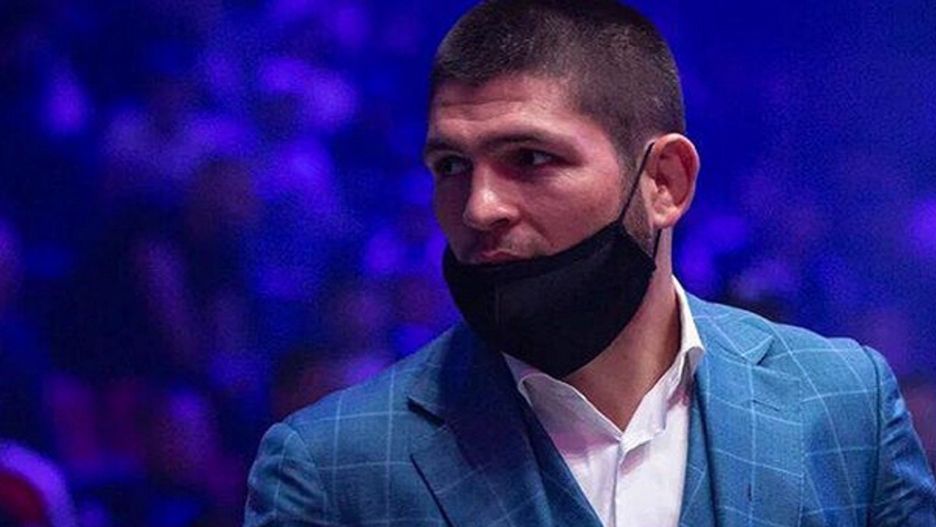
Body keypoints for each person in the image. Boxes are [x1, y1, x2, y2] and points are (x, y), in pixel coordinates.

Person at [244, 1, 936, 525]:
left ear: (665, 181)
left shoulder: (846, 404)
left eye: (530, 158)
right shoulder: (330, 467)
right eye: (451, 165)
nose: (479, 207)